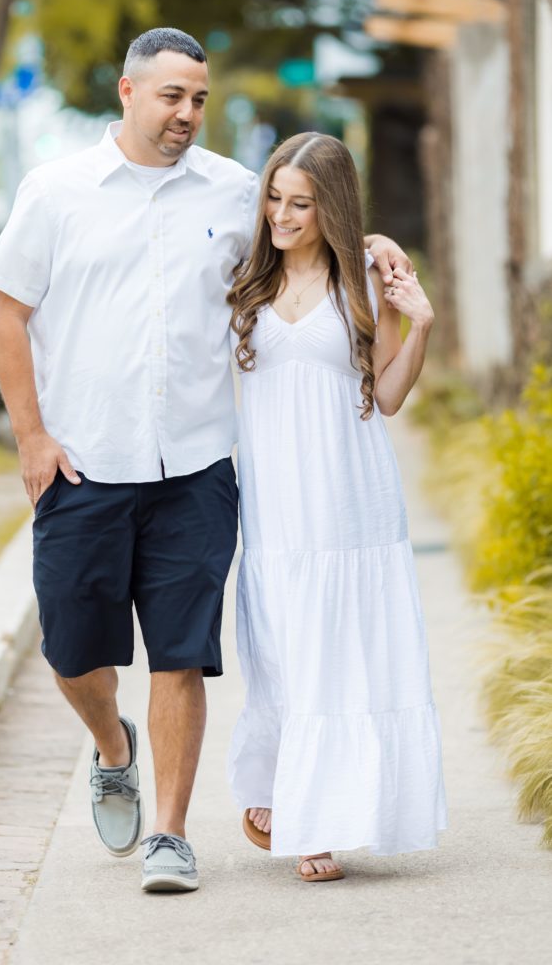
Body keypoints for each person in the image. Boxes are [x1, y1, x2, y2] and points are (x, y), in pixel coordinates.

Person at [0, 27, 413, 894]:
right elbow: (6, 313)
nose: (187, 113)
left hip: (194, 471)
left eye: (199, 98)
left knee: (182, 654)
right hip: (82, 467)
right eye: (171, 95)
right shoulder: (54, 192)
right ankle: (112, 746)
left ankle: (170, 836)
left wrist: (375, 247)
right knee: (72, 652)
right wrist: (32, 437)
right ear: (127, 92)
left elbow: (305, 233)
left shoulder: (231, 191)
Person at [227, 132, 447, 882]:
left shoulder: (361, 279)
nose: (281, 217)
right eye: (274, 199)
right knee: (285, 649)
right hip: (274, 502)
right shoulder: (243, 279)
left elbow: (385, 395)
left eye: (301, 204)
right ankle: (280, 787)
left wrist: (418, 324)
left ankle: (315, 821)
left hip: (349, 497)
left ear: (333, 208)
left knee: (335, 654)